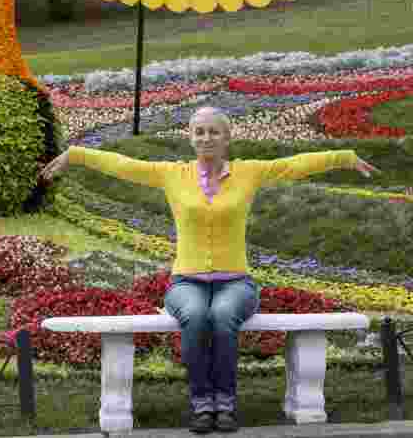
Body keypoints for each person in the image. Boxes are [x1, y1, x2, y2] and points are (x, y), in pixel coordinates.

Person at [39, 105, 379, 434]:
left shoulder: (248, 172)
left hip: (237, 282)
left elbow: (292, 165)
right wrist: (76, 154)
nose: (206, 138)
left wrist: (343, 157)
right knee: (197, 315)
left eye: (213, 132)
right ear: (190, 138)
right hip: (186, 282)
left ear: (226, 138)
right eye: (199, 132)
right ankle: (202, 402)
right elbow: (124, 166)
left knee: (223, 315)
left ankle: (225, 403)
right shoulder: (173, 175)